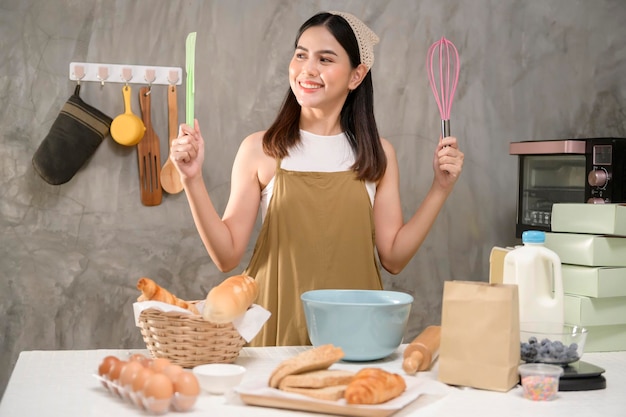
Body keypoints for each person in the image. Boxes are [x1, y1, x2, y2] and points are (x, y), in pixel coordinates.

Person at [170, 11, 464, 347]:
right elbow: (226, 256)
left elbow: (393, 257)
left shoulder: (378, 155)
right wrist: (192, 180)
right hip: (275, 331)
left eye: (325, 59)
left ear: (357, 75)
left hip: (355, 334)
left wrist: (440, 189)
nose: (308, 69)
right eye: (300, 55)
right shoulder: (260, 150)